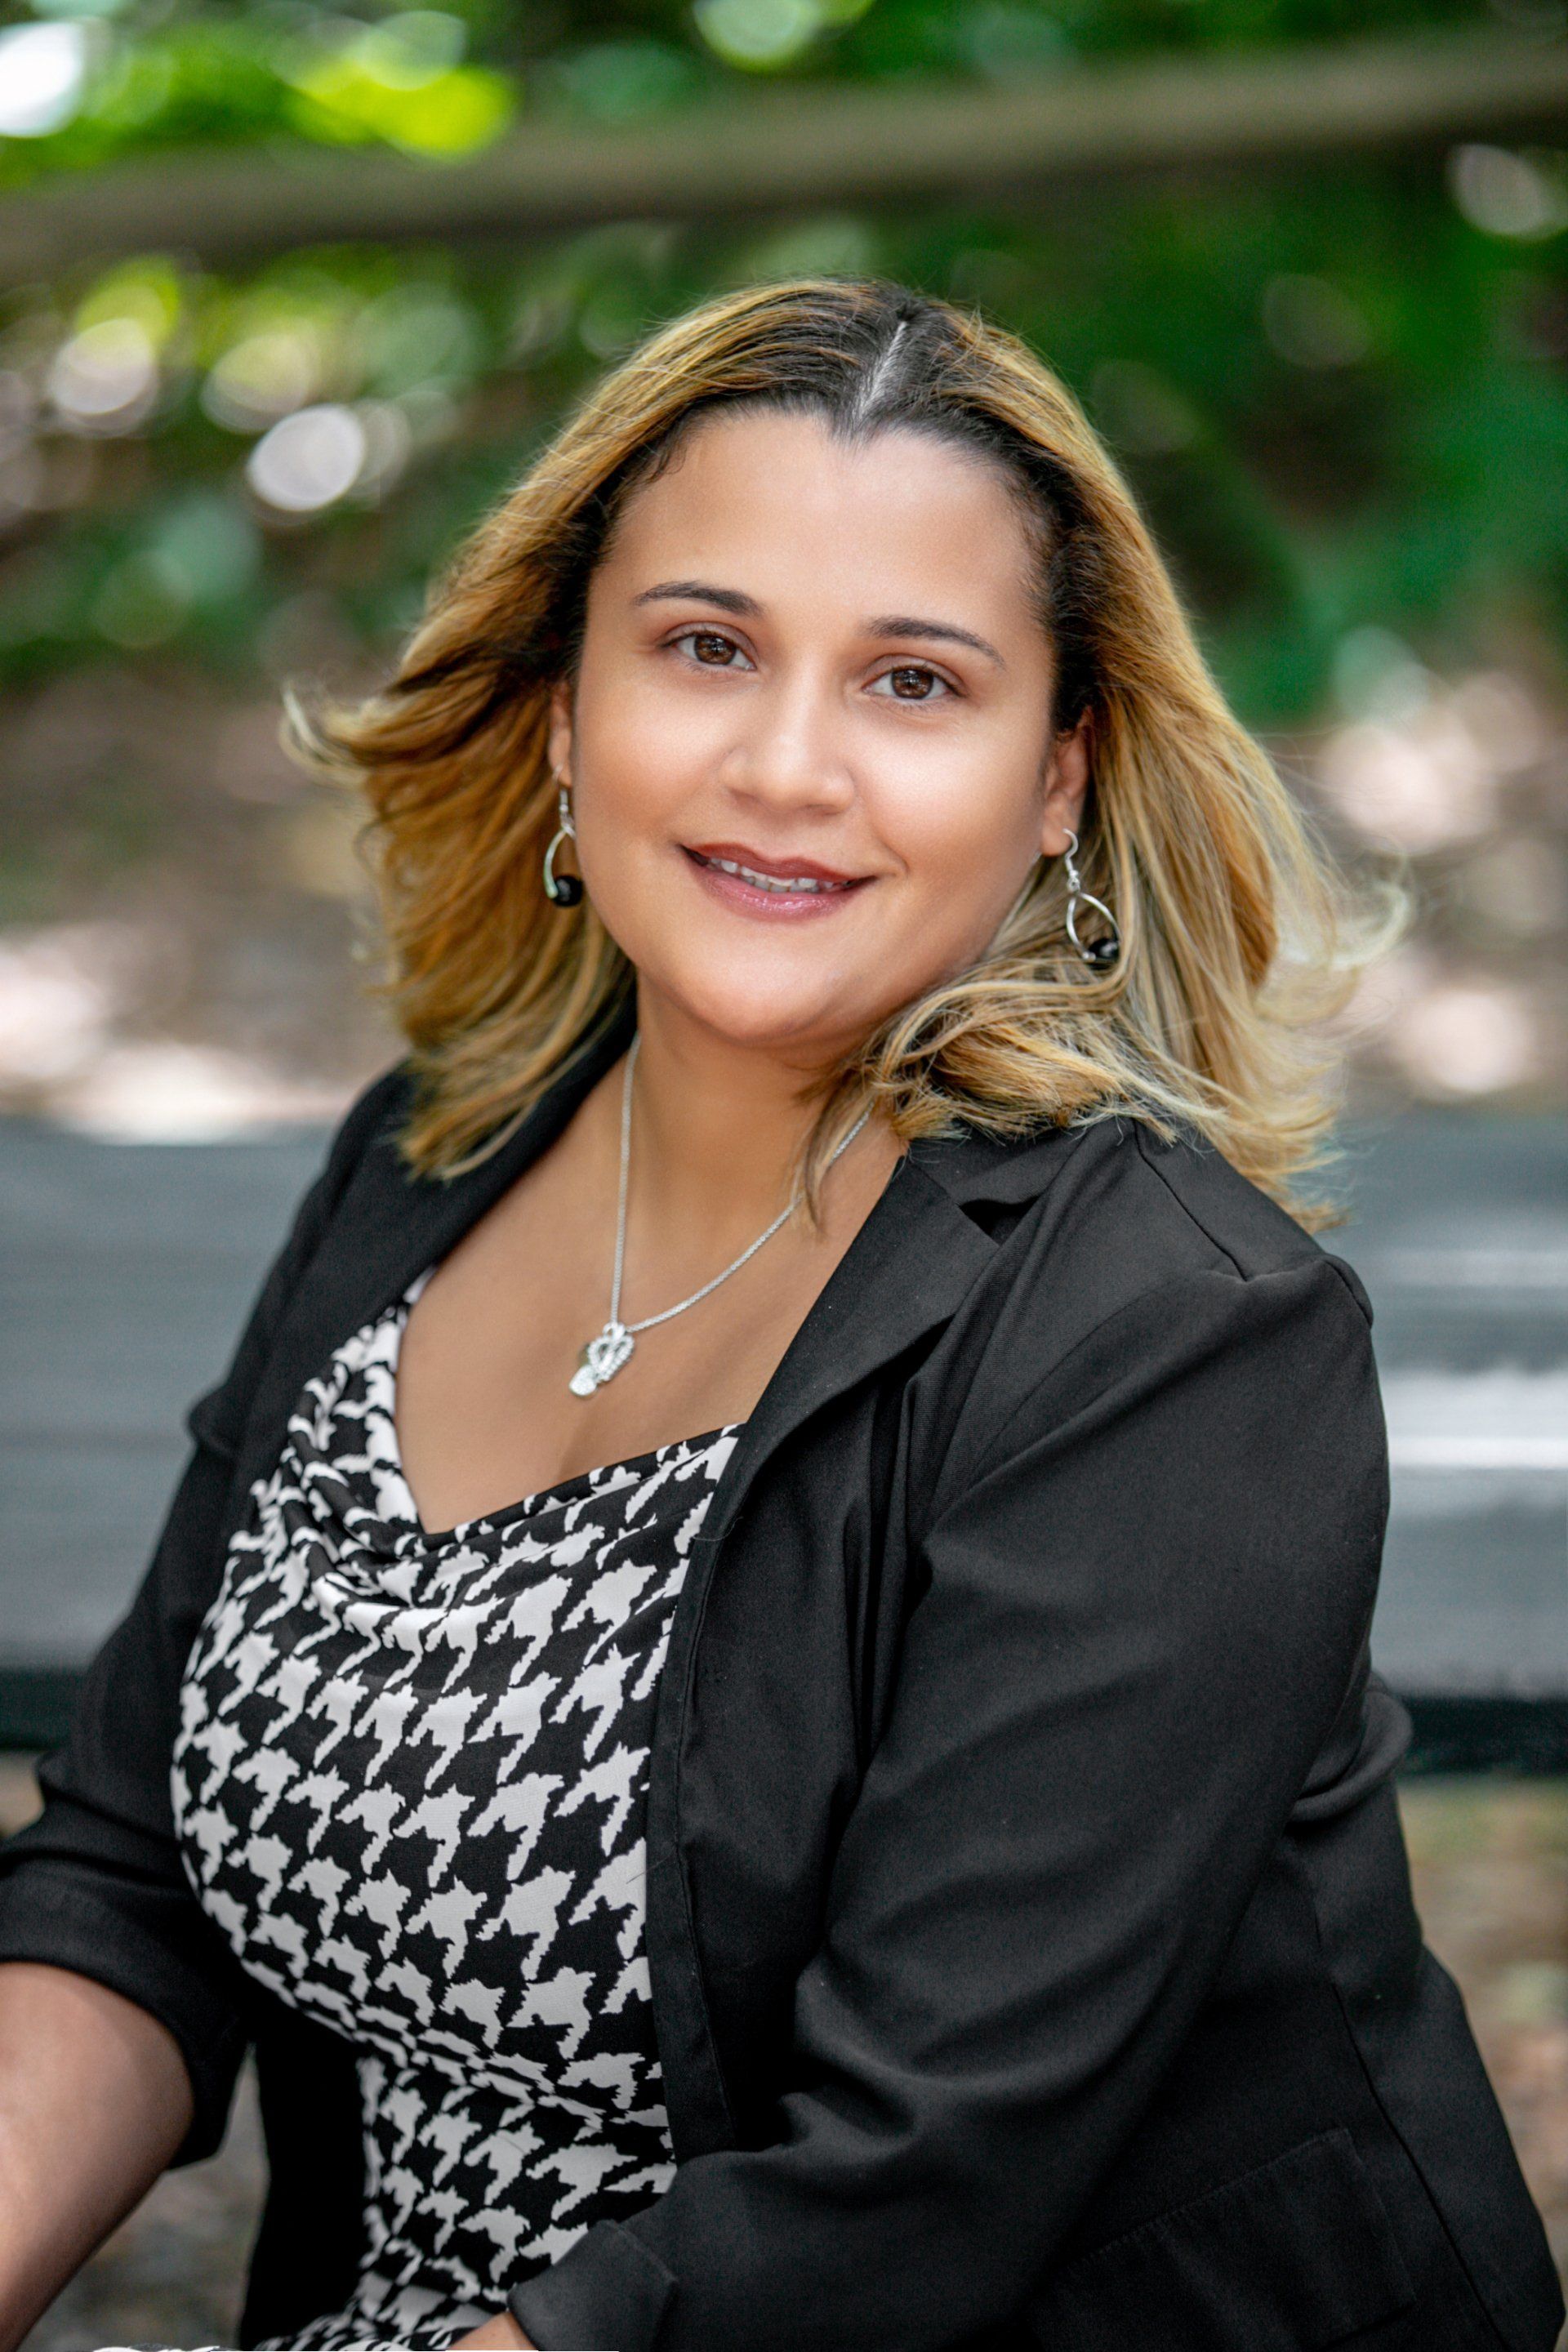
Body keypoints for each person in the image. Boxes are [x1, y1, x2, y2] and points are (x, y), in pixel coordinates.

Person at [0, 278, 1557, 2352]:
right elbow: (131, 1880)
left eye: (914, 682)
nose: (789, 764)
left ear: (1062, 778)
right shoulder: (431, 1162)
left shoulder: (1179, 1343)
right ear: (566, 709)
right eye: (708, 647)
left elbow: (902, 2194)